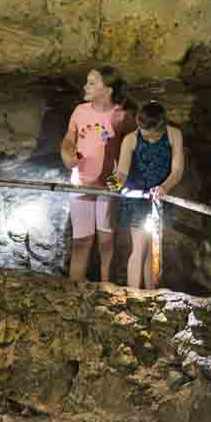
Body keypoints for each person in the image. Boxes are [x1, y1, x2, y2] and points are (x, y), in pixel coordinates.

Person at [58, 66, 132, 283]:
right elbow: (69, 139)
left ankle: (106, 287)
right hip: (81, 183)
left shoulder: (122, 117)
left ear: (107, 90)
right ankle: (75, 288)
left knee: (106, 240)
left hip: (107, 186)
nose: (85, 86)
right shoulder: (80, 111)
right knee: (81, 240)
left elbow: (132, 148)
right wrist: (66, 154)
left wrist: (120, 179)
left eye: (91, 83)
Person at [108, 100, 185, 290]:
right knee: (140, 246)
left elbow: (177, 169)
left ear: (162, 126)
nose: (150, 139)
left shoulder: (174, 135)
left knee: (154, 247)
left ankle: (151, 293)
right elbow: (123, 172)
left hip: (160, 196)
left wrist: (164, 187)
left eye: (154, 135)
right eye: (145, 135)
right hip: (137, 198)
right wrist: (113, 183)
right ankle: (133, 293)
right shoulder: (131, 139)